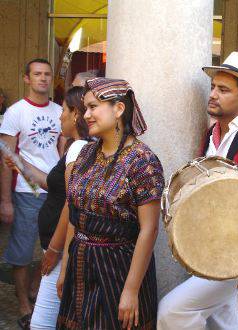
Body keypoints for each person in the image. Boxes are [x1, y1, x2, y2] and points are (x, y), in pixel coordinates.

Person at [157, 52, 238, 330]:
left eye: (223, 90)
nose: (212, 94)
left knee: (171, 312)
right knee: (223, 322)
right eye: (213, 87)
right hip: (215, 249)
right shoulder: (212, 133)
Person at [56, 78, 164, 329]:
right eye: (85, 108)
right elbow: (75, 215)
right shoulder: (85, 154)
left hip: (119, 270)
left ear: (118, 109)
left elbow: (149, 229)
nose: (86, 115)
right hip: (80, 266)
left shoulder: (142, 162)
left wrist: (131, 290)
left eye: (93, 107)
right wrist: (65, 268)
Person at [4, 86, 89, 329]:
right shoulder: (77, 146)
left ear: (75, 115)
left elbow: (72, 203)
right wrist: (20, 164)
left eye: (63, 110)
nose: (59, 116)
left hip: (59, 245)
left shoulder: (76, 148)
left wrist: (53, 249)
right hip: (57, 244)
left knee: (42, 321)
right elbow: (53, 185)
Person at [0, 58, 64, 329]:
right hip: (27, 190)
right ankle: (24, 304)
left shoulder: (60, 110)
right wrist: (5, 201)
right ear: (26, 78)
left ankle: (36, 288)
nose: (43, 79)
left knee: (53, 245)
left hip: (56, 190)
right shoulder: (16, 112)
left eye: (47, 74)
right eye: (37, 74)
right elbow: (6, 156)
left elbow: (63, 152)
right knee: (23, 249)